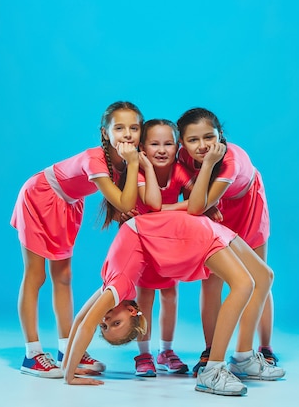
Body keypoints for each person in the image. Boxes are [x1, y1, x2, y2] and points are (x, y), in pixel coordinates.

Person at [62, 211, 279, 396]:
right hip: (188, 234)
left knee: (258, 279)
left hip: (188, 227)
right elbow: (84, 320)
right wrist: (68, 371)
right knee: (252, 281)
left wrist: (68, 373)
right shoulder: (118, 286)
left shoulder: (116, 285)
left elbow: (85, 322)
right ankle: (218, 367)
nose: (105, 320)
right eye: (113, 325)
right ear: (131, 310)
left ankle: (234, 362)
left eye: (106, 326)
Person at [10, 101, 144, 378]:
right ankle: (32, 354)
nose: (128, 134)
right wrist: (132, 164)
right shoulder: (96, 159)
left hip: (68, 203)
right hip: (40, 195)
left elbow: (129, 204)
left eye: (134, 128)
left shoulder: (127, 160)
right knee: (36, 275)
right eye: (119, 128)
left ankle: (66, 347)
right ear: (106, 133)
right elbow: (123, 200)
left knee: (64, 277)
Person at [176, 107, 284, 378]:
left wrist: (206, 195)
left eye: (209, 137)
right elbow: (192, 191)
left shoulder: (231, 162)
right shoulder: (181, 158)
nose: (202, 146)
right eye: (193, 140)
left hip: (247, 205)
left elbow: (197, 205)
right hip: (214, 207)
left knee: (259, 276)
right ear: (182, 143)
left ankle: (264, 347)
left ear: (220, 135)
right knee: (211, 280)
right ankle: (211, 349)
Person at [129, 119, 193, 376]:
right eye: (154, 144)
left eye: (168, 143)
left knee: (170, 295)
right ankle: (143, 353)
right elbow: (151, 204)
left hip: (169, 240)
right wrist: (176, 209)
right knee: (144, 297)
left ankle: (166, 350)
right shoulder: (142, 173)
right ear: (143, 148)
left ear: (178, 146)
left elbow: (197, 200)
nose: (162, 149)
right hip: (143, 241)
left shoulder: (179, 171)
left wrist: (169, 210)